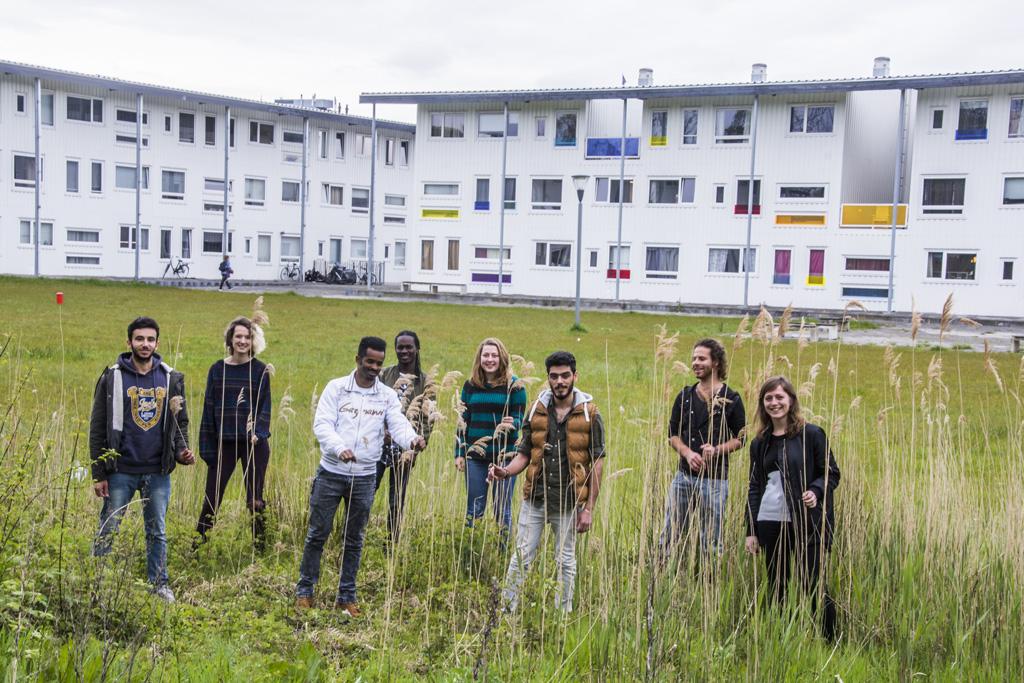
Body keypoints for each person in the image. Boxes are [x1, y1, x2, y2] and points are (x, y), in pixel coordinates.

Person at [296, 336, 426, 615]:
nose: (375, 368)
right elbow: (322, 425)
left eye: (379, 363)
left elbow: (398, 424)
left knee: (354, 538)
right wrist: (339, 448)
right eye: (369, 362)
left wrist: (413, 440)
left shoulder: (386, 396)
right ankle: (305, 591)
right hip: (332, 473)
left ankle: (346, 596)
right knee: (318, 533)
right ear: (358, 360)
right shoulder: (337, 389)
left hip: (365, 477)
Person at [89, 316, 195, 603]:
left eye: (150, 339)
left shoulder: (171, 377)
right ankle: (96, 582)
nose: (145, 344)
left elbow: (179, 422)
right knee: (109, 527)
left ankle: (159, 585)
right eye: (139, 339)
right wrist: (98, 473)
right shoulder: (113, 376)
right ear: (129, 342)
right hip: (120, 469)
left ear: (157, 343)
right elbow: (98, 426)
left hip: (157, 471)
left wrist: (181, 453)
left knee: (157, 531)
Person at [490, 351, 605, 612]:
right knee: (520, 558)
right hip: (536, 498)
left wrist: (588, 509)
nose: (560, 381)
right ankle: (507, 612)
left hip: (568, 501)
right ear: (548, 379)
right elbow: (524, 453)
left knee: (565, 561)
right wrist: (506, 471)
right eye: (554, 376)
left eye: (565, 375)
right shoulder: (536, 410)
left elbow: (597, 462)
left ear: (575, 376)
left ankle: (561, 616)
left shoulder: (590, 414)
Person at [745, 376, 840, 641]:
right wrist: (751, 529)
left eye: (779, 397)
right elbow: (754, 486)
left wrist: (816, 491)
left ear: (791, 400)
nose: (774, 403)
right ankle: (782, 638)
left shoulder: (811, 434)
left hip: (805, 521)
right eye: (768, 398)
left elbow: (831, 473)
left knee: (813, 582)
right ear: (763, 404)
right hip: (769, 521)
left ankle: (829, 640)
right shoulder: (759, 442)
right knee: (777, 584)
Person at [660, 338, 746, 561]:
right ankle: (663, 581)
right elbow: (672, 435)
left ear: (715, 362)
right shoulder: (685, 396)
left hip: (715, 481)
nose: (695, 363)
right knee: (670, 536)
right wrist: (687, 453)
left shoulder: (732, 399)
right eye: (694, 359)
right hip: (683, 478)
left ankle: (710, 584)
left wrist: (717, 449)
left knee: (711, 542)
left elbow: (741, 438)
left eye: (701, 358)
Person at [195, 317, 272, 549]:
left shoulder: (261, 370)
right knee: (212, 499)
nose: (242, 341)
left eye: (247, 337)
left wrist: (258, 431)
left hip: (253, 445)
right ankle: (197, 547)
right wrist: (207, 449)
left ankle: (260, 548)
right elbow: (208, 409)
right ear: (230, 339)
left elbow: (265, 407)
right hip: (224, 444)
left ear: (253, 340)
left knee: (255, 501)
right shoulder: (217, 369)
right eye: (238, 336)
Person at [454, 337, 527, 536]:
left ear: (501, 358)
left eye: (494, 355)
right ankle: (471, 555)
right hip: (475, 457)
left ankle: (502, 556)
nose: (490, 359)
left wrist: (513, 424)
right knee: (474, 510)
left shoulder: (516, 386)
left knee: (501, 511)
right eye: (485, 355)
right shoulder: (470, 386)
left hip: (505, 457)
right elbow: (462, 422)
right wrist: (459, 453)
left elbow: (520, 420)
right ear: (479, 358)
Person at [376, 331, 433, 546]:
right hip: (380, 445)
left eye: (409, 347)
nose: (404, 351)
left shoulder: (426, 381)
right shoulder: (385, 375)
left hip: (406, 448)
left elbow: (428, 418)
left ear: (417, 349)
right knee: (368, 490)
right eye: (400, 347)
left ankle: (391, 542)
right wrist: (382, 432)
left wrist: (417, 444)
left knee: (396, 498)